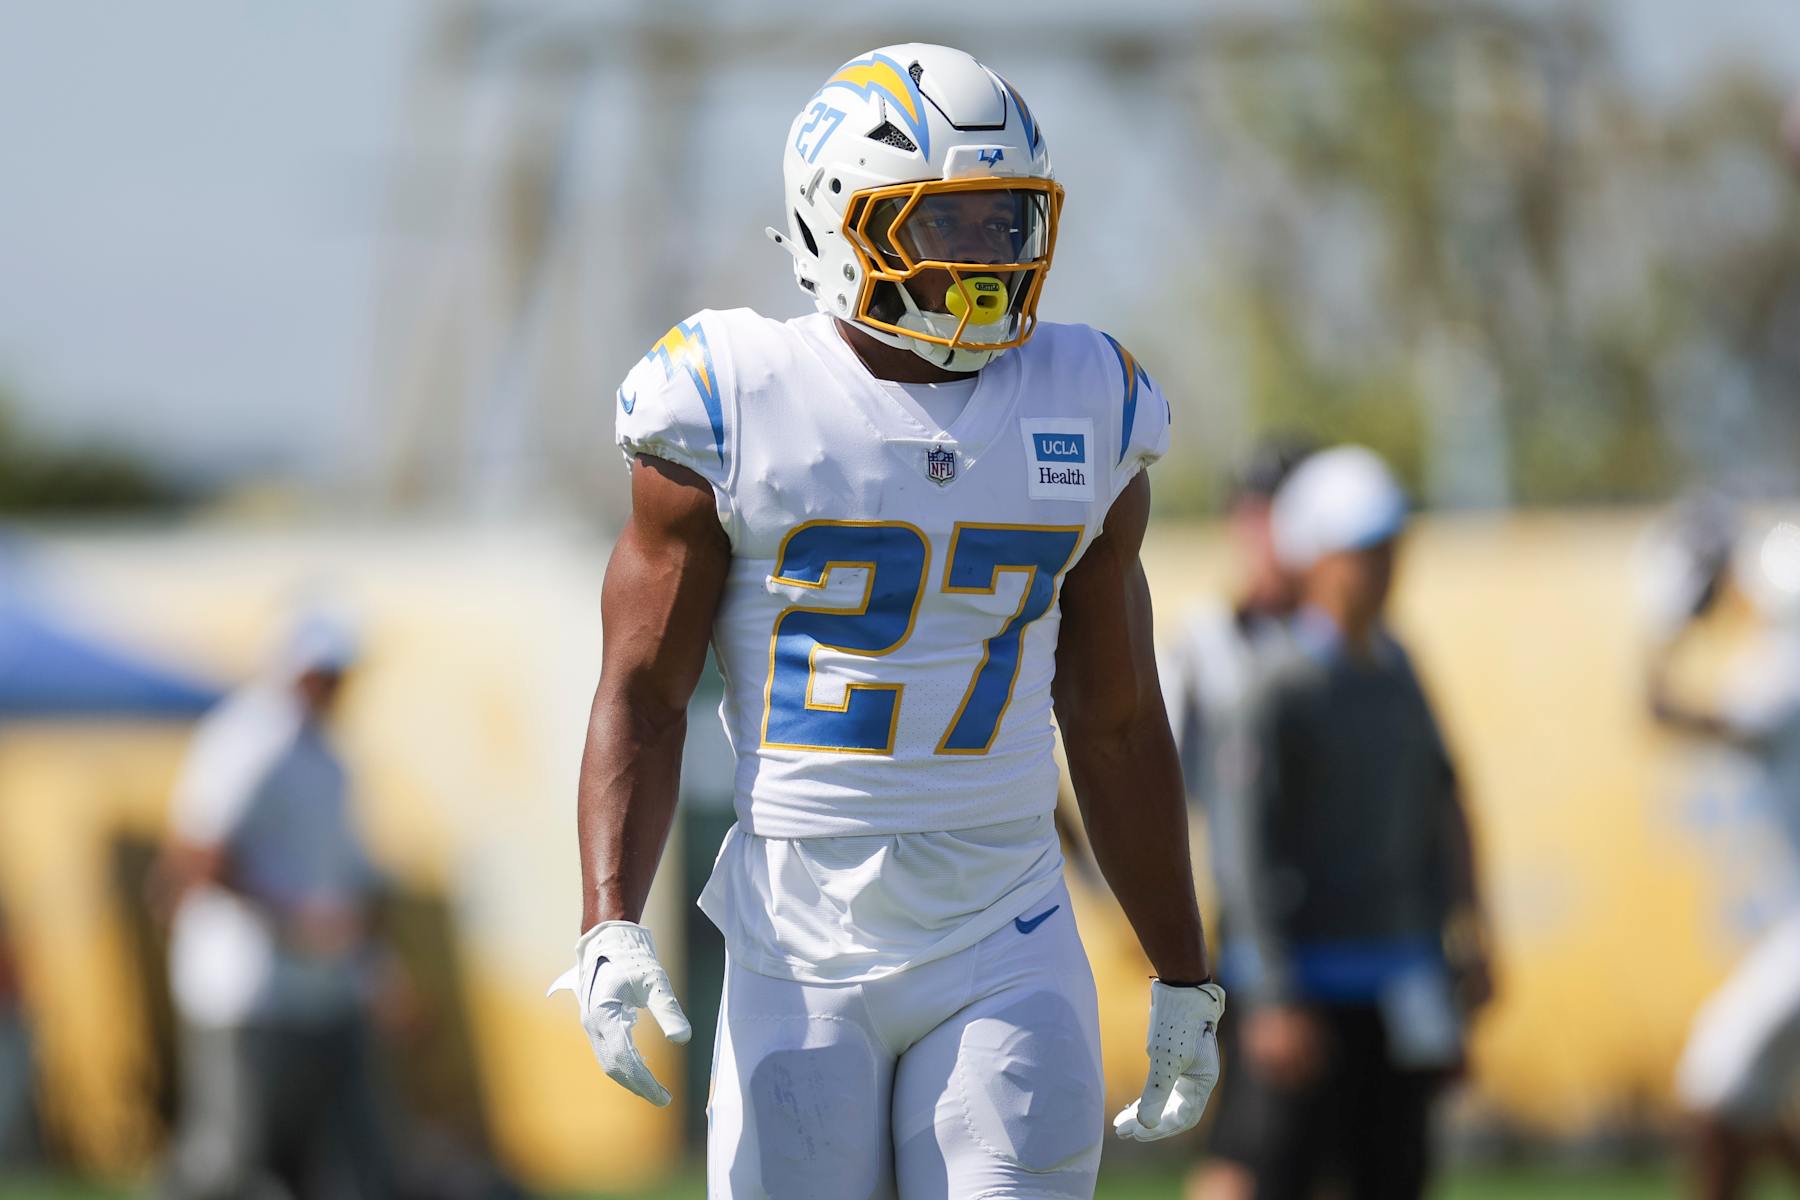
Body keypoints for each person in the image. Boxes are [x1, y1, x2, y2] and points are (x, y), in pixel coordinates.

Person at [551, 44, 1222, 1199]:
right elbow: (645, 694)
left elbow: (1113, 719)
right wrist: (606, 920)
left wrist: (1182, 971)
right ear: (837, 226)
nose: (986, 262)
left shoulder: (1090, 402)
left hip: (1004, 918)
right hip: (796, 938)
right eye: (944, 227)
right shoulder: (733, 396)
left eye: (1006, 225)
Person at [1201, 445, 1492, 1200]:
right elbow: (1244, 847)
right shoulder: (1275, 685)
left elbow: (1439, 804)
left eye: (1390, 548)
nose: (1386, 568)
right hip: (1307, 988)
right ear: (1317, 560)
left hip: (1399, 980)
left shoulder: (1398, 669)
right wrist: (1269, 995)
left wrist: (1465, 936)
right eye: (1365, 551)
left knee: (1393, 1176)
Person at [157, 610, 395, 1200]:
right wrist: (293, 919)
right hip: (244, 989)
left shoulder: (326, 756)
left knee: (336, 1161)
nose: (335, 686)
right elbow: (195, 857)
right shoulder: (249, 738)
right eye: (324, 671)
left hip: (322, 991)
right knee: (227, 1159)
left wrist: (374, 965)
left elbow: (349, 884)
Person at [1647, 513, 1800, 1200]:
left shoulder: (1784, 669)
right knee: (1748, 1097)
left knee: (1716, 1072)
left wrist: (1664, 621)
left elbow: (1664, 712)